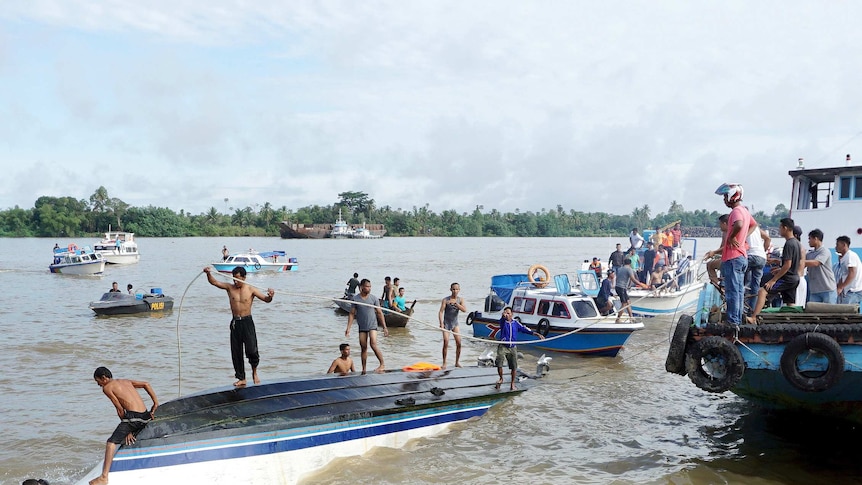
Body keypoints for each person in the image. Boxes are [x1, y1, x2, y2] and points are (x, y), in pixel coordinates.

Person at [204, 266, 275, 386]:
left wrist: (271, 296)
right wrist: (208, 274)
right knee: (236, 351)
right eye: (233, 279)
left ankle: (254, 372)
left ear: (244, 277)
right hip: (235, 322)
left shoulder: (251, 289)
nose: (235, 281)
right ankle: (241, 378)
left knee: (252, 350)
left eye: (237, 279)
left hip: (247, 322)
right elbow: (214, 282)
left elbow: (266, 299)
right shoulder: (229, 288)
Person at [89, 366, 158, 485]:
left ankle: (104, 477)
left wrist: (127, 429)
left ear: (104, 378)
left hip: (134, 418)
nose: (98, 385)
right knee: (127, 430)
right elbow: (146, 384)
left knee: (110, 443)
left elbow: (119, 409)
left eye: (98, 381)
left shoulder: (107, 387)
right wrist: (155, 403)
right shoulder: (125, 381)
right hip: (146, 417)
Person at [715, 183, 755, 325]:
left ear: (733, 195)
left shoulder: (736, 212)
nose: (725, 199)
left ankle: (733, 321)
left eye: (726, 196)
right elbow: (753, 224)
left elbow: (738, 225)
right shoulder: (744, 211)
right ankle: (736, 320)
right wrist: (743, 238)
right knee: (738, 291)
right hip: (741, 256)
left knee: (732, 291)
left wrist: (732, 237)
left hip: (733, 257)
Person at [747, 218, 801, 323]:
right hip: (794, 278)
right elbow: (793, 263)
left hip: (787, 278)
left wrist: (774, 280)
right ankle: (794, 322)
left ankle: (754, 318)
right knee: (790, 303)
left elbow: (788, 265)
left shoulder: (789, 244)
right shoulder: (796, 243)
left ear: (785, 228)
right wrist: (778, 264)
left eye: (780, 228)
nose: (779, 230)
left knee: (762, 291)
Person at [345, 278, 388, 374]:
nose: (369, 288)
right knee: (363, 347)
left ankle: (382, 364)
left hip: (372, 325)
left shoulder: (373, 298)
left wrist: (384, 327)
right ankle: (364, 369)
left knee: (373, 343)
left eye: (370, 286)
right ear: (361, 287)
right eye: (367, 286)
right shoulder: (356, 299)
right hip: (362, 325)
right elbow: (352, 314)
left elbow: (379, 313)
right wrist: (348, 328)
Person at [495, 306, 544, 390]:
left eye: (508, 313)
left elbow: (525, 329)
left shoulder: (515, 323)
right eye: (505, 313)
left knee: (514, 366)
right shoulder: (503, 322)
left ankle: (512, 384)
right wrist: (503, 317)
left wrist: (537, 334)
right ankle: (501, 378)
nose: (506, 315)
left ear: (512, 314)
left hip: (512, 347)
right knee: (499, 361)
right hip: (503, 346)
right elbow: (502, 319)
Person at [804, 229, 837, 304]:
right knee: (814, 313)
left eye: (810, 239)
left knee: (829, 313)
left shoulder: (825, 251)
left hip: (827, 289)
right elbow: (801, 265)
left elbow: (816, 263)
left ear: (816, 239)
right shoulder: (809, 254)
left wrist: (799, 262)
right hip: (814, 290)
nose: (808, 241)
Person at [439, 282, 467, 368]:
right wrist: (441, 323)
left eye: (457, 289)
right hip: (446, 323)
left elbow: (464, 310)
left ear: (459, 290)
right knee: (446, 342)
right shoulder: (445, 300)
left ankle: (457, 362)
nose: (455, 291)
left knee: (459, 343)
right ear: (451, 289)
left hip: (455, 324)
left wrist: (457, 304)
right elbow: (441, 312)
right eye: (453, 289)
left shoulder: (460, 300)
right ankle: (444, 363)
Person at [745, 223, 770, 312]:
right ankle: (751, 312)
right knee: (755, 287)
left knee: (744, 284)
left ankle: (742, 309)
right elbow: (768, 238)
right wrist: (762, 251)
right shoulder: (756, 228)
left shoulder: (742, 225)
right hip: (761, 257)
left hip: (750, 255)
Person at [835, 235, 862, 305]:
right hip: (848, 290)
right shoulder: (844, 257)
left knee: (845, 310)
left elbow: (852, 273)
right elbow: (844, 274)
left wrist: (841, 287)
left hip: (854, 290)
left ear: (844, 245)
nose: (836, 247)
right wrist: (839, 286)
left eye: (837, 245)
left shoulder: (850, 256)